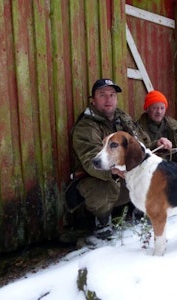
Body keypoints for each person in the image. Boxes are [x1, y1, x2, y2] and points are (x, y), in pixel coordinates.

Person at [69, 78, 151, 240]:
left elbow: (142, 143)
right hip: (100, 179)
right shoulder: (86, 127)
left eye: (112, 95)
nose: (109, 99)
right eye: (102, 95)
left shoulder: (123, 118)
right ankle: (102, 222)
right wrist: (114, 172)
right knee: (103, 188)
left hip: (126, 175)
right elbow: (91, 160)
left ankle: (139, 209)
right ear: (93, 101)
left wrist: (159, 144)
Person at [136, 90, 177, 165]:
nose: (159, 112)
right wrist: (156, 144)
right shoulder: (138, 127)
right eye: (155, 108)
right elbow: (139, 150)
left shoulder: (174, 125)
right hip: (152, 165)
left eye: (162, 108)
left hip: (175, 163)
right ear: (147, 108)